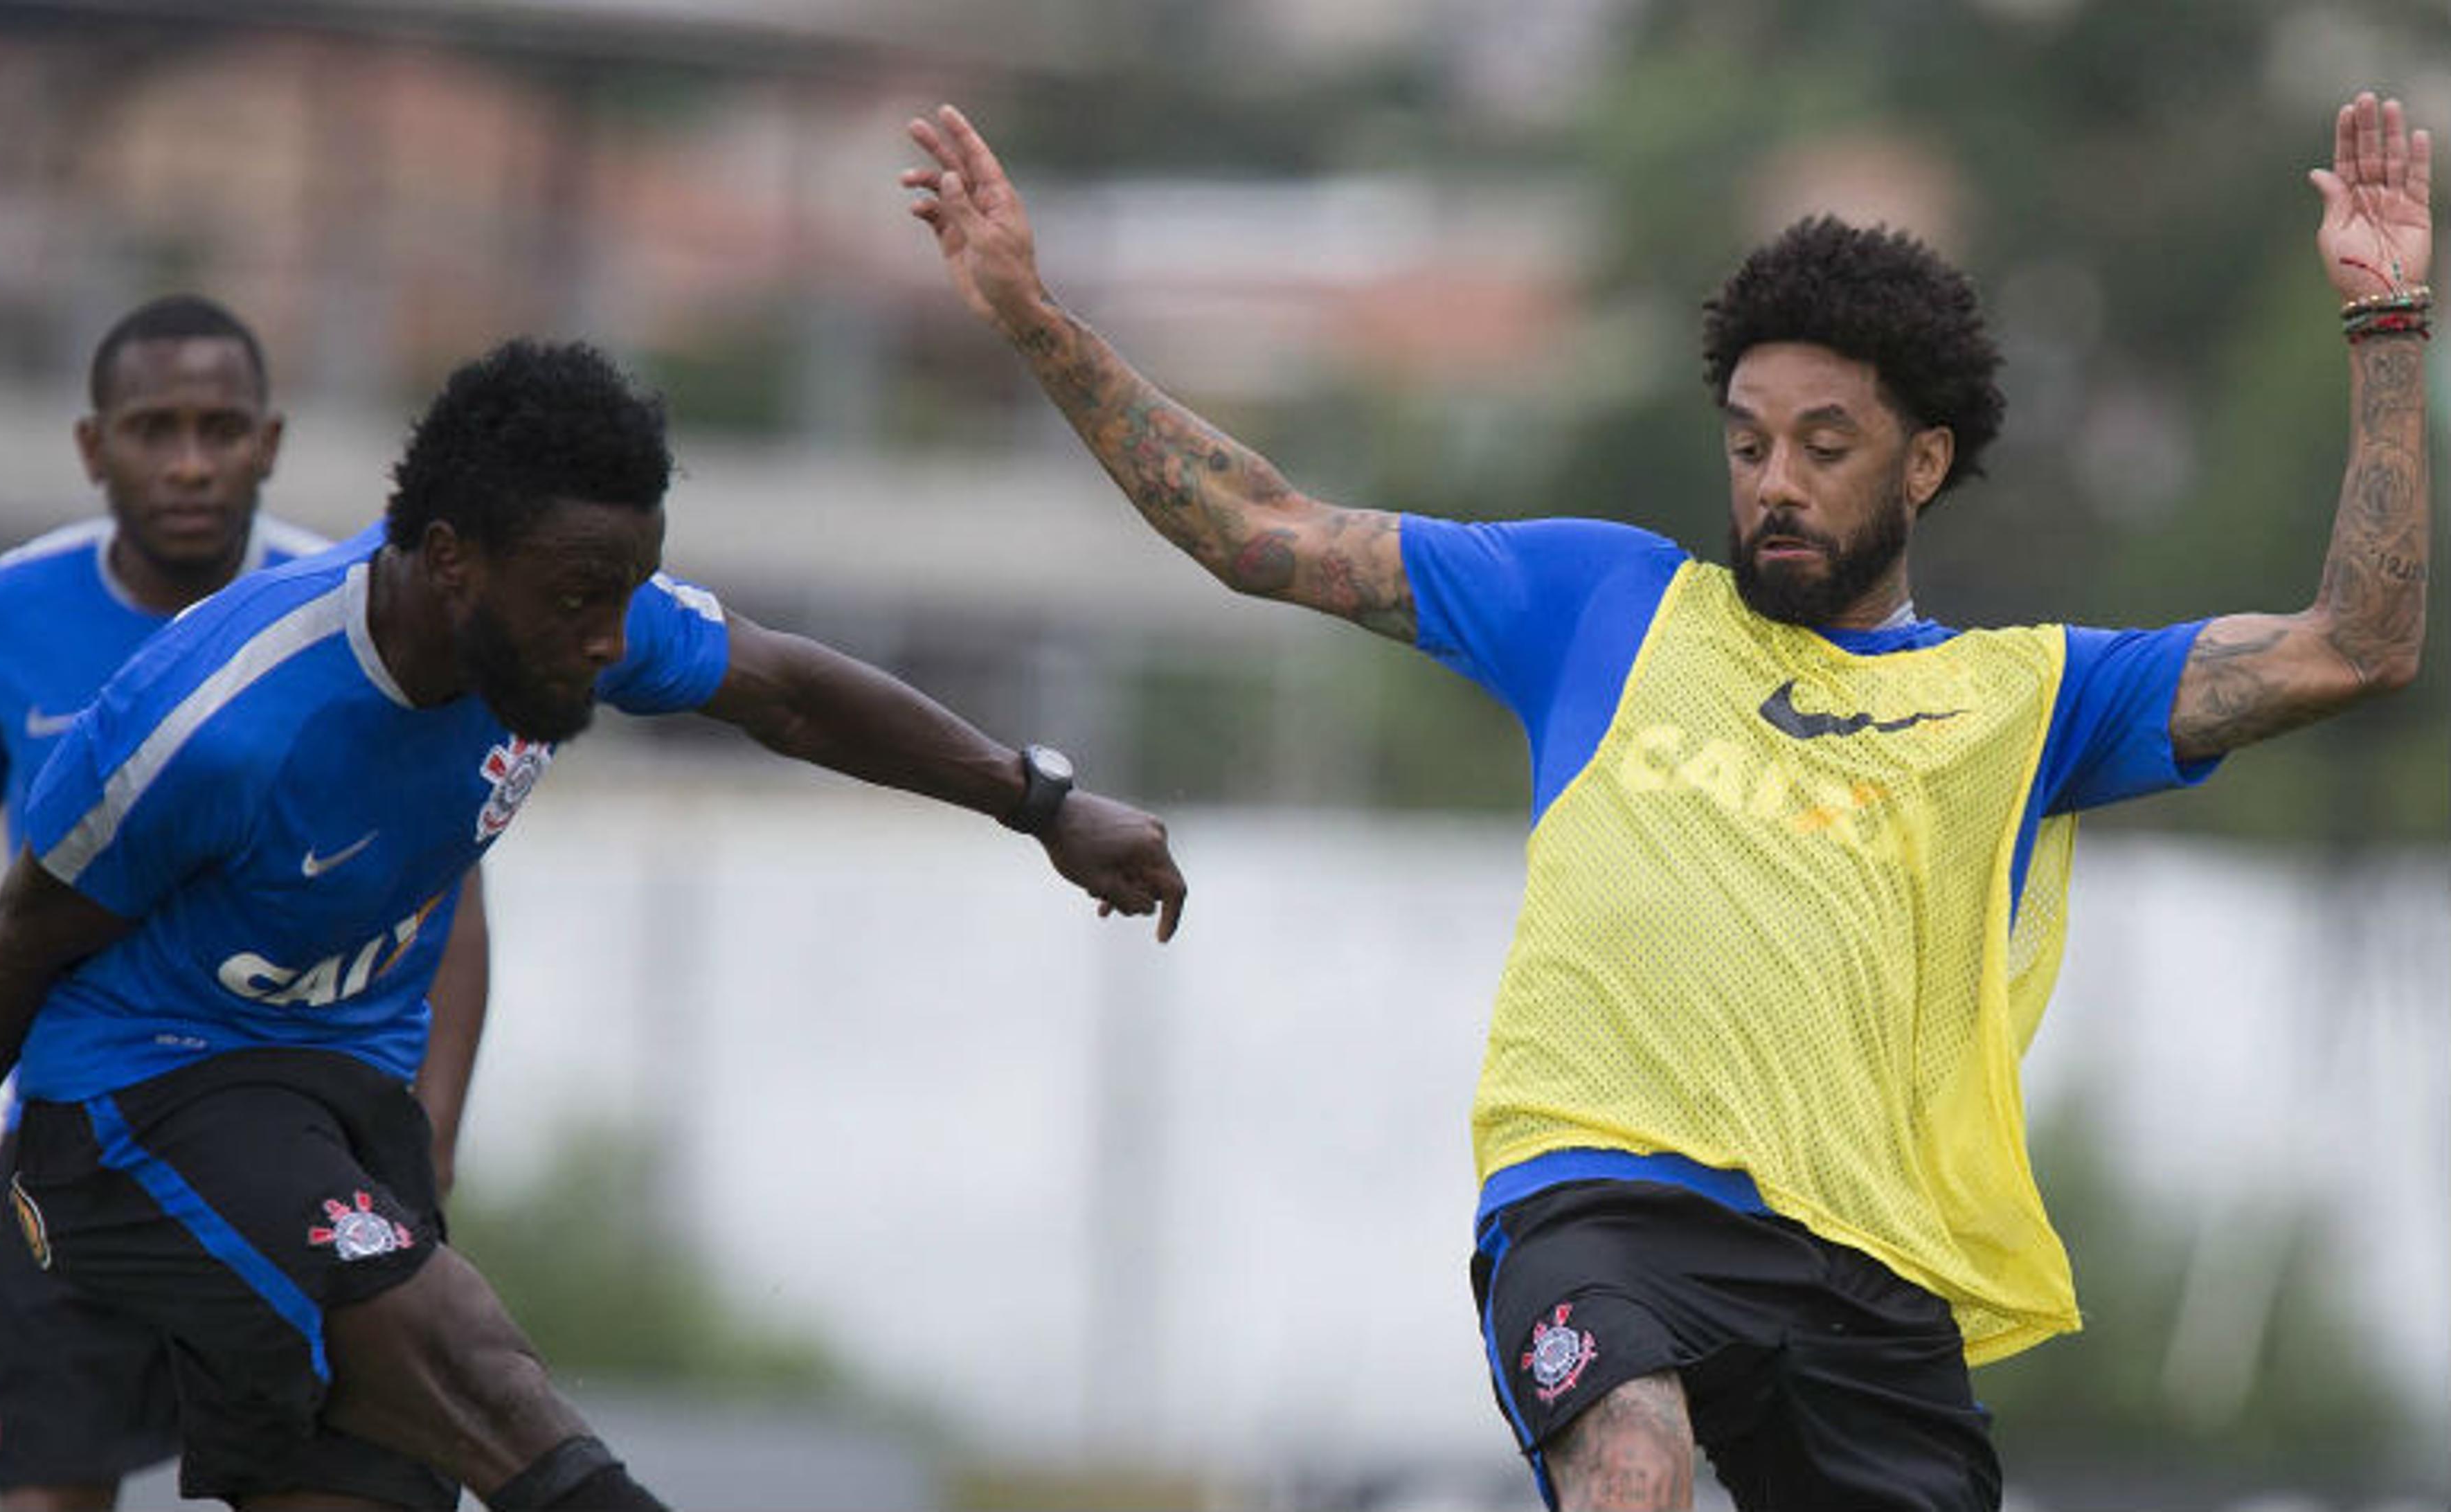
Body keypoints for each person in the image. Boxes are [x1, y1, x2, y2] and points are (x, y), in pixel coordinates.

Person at [904, 91, 2429, 1509]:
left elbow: (2357, 644)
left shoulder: (2030, 698)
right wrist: (1036, 322)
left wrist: (2384, 324)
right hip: (1604, 1206)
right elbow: (1260, 527)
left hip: (1866, 1268)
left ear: (1925, 464)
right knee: (1633, 1467)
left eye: (1826, 448)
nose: (1774, 480)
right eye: (1750, 442)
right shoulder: (1600, 602)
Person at [0, 335, 1187, 1510]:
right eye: (581, 596)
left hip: (340, 1107)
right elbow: (15, 937)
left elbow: (790, 693)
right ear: (452, 561)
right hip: (139, 1107)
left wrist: (1039, 802)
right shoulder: (216, 722)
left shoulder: (583, 621)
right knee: (483, 1377)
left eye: (633, 588)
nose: (615, 639)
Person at [0, 294, 494, 1510]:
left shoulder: (364, 617)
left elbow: (452, 901)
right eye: (153, 428)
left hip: (297, 1157)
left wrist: (423, 1154)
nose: (188, 463)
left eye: (221, 430)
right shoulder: (1, 617)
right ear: (92, 446)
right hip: (77, 1147)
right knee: (52, 1489)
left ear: (268, 446)